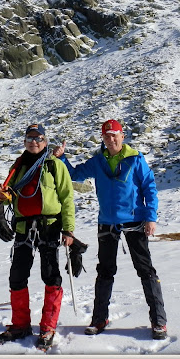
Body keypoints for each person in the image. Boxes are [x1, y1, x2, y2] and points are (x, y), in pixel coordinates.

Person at [52, 119, 168, 340]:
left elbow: (149, 187)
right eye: (106, 136)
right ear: (103, 138)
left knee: (145, 270)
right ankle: (99, 319)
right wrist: (62, 159)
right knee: (105, 271)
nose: (111, 139)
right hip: (107, 222)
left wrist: (150, 217)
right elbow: (75, 175)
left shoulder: (135, 158)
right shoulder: (98, 160)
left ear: (122, 136)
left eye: (114, 135)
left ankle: (158, 320)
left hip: (134, 221)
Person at [0, 123, 76, 350]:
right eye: (29, 138)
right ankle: (20, 325)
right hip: (23, 227)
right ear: (25, 141)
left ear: (45, 141)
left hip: (49, 225)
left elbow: (67, 198)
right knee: (17, 275)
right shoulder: (18, 166)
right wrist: (3, 197)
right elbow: (11, 195)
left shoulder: (54, 165)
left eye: (38, 138)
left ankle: (48, 326)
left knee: (50, 274)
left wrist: (69, 230)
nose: (33, 142)